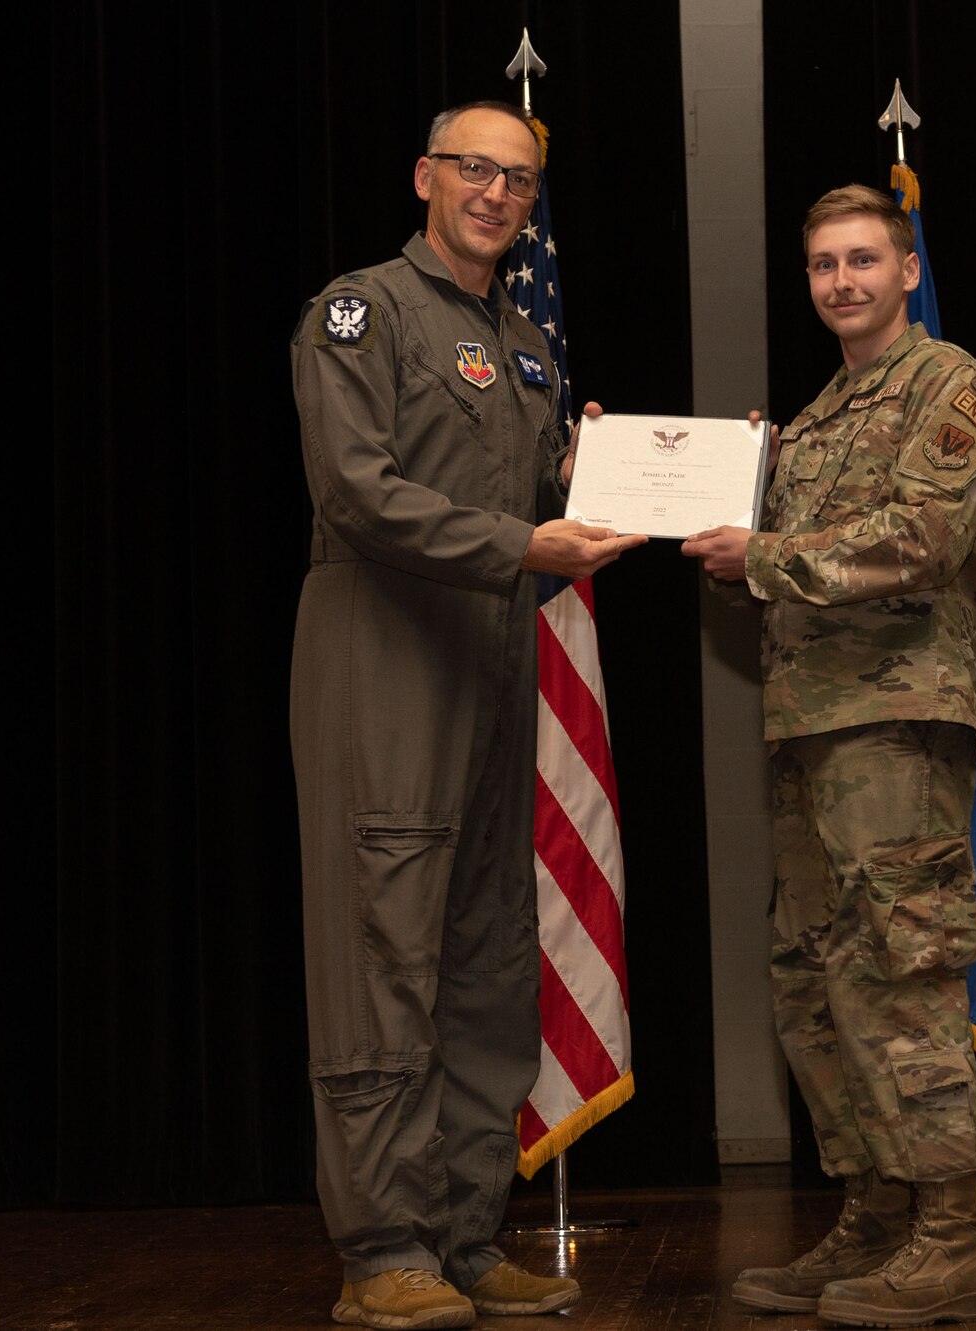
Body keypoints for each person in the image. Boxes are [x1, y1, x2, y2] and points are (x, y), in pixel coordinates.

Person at [288, 100, 643, 1330]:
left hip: (495, 661)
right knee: (384, 951)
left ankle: (461, 1229)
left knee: (489, 952)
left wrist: (621, 467)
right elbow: (357, 488)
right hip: (383, 658)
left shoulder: (526, 345)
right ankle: (381, 1247)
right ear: (425, 176)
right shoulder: (361, 312)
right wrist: (524, 535)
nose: (497, 193)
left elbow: (545, 493)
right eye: (475, 170)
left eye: (520, 180)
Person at [683, 184, 976, 1328]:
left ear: (906, 268)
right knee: (814, 977)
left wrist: (761, 553)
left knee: (903, 967)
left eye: (862, 260)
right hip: (806, 721)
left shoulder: (952, 386)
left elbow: (924, 538)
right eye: (823, 265)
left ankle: (949, 1233)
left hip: (894, 723)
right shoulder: (812, 418)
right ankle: (874, 1212)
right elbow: (774, 576)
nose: (841, 282)